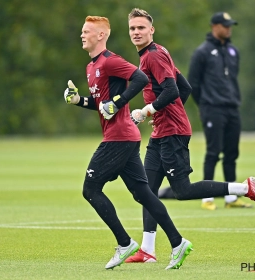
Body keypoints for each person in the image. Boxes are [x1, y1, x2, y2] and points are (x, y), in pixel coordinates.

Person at [126, 8, 255, 264]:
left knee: (181, 190)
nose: (136, 32)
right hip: (163, 130)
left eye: (141, 28)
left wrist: (149, 110)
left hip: (172, 133)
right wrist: (163, 114)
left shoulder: (153, 56)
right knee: (146, 189)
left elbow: (172, 90)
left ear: (152, 30)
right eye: (132, 28)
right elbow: (186, 87)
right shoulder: (156, 53)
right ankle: (148, 250)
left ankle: (245, 188)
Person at [63, 15, 194, 270]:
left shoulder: (111, 61)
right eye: (82, 31)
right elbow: (103, 106)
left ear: (101, 35)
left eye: (87, 31)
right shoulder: (91, 68)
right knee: (143, 193)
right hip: (126, 137)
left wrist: (120, 102)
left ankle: (125, 243)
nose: (82, 35)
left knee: (90, 189)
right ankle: (178, 243)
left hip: (120, 137)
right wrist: (78, 100)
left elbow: (140, 79)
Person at [158, 12, 251, 211]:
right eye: (225, 25)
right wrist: (205, 106)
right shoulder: (202, 52)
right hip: (212, 109)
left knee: (232, 153)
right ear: (214, 27)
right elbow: (193, 84)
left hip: (232, 108)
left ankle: (230, 198)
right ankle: (207, 197)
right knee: (213, 152)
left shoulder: (233, 51)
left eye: (230, 25)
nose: (228, 29)